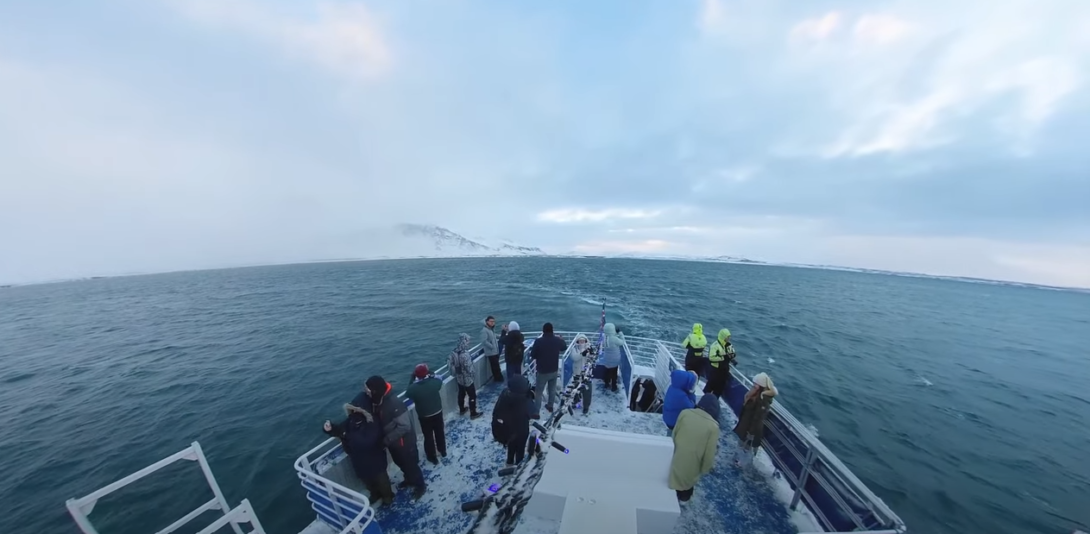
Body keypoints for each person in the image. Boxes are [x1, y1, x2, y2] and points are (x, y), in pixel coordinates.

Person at [356, 375, 427, 499]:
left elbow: (405, 426)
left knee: (411, 466)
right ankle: (409, 479)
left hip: (404, 444)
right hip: (395, 443)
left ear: (375, 391)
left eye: (368, 390)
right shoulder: (380, 400)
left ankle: (420, 486)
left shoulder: (394, 403)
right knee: (401, 463)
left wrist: (387, 440)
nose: (366, 393)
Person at [323, 404, 395, 506]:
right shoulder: (350, 422)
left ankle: (387, 497)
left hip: (373, 457)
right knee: (370, 480)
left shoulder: (372, 422)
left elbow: (368, 440)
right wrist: (330, 429)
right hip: (361, 459)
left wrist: (346, 436)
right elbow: (338, 429)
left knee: (381, 480)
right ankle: (377, 495)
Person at [669, 394, 721, 502]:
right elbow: (709, 456)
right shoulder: (713, 427)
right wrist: (703, 470)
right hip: (690, 470)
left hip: (673, 463)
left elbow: (673, 437)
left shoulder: (685, 413)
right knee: (683, 495)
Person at [491, 374, 539, 466]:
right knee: (520, 450)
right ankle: (518, 467)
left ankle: (509, 462)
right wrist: (531, 395)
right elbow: (534, 413)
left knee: (511, 447)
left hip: (508, 430)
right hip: (521, 430)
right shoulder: (524, 401)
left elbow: (497, 412)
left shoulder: (505, 394)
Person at [404, 364, 447, 465]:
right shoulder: (435, 383)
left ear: (416, 375)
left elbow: (408, 393)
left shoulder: (414, 389)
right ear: (427, 373)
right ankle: (443, 451)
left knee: (428, 436)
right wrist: (431, 373)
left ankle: (432, 457)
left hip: (424, 416)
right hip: (437, 412)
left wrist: (411, 378)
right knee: (439, 432)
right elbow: (439, 380)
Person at [733, 372, 777, 468]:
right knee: (741, 444)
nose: (753, 385)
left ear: (761, 386)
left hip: (751, 429)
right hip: (745, 424)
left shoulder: (763, 400)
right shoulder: (755, 393)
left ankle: (743, 464)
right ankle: (738, 459)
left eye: (756, 383)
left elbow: (758, 418)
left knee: (746, 447)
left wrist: (751, 433)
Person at [530, 322, 567, 412]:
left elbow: (533, 355)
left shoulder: (538, 341)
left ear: (543, 331)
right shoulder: (557, 340)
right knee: (552, 389)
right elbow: (564, 347)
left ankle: (536, 411)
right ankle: (550, 406)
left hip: (542, 371)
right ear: (552, 330)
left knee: (539, 392)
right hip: (554, 370)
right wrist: (561, 339)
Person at [448, 333, 482, 418]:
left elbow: (450, 364)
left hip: (459, 378)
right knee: (472, 395)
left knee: (461, 394)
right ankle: (473, 412)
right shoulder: (465, 354)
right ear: (464, 341)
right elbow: (469, 368)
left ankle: (462, 409)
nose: (469, 342)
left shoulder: (453, 352)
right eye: (468, 340)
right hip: (468, 379)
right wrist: (473, 375)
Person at [663, 370, 698, 436]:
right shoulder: (681, 395)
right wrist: (692, 393)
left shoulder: (672, 387)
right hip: (674, 422)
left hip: (667, 417)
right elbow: (691, 406)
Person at [704, 328, 737, 398]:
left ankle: (714, 402)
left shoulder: (729, 345)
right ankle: (704, 401)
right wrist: (723, 358)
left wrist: (732, 359)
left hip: (724, 371)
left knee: (719, 389)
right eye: (728, 336)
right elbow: (711, 358)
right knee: (709, 387)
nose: (729, 338)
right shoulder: (715, 345)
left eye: (729, 336)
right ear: (723, 336)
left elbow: (732, 353)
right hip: (715, 370)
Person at [570, 334, 593, 414]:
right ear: (577, 341)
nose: (581, 342)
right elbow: (574, 358)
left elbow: (592, 358)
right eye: (580, 341)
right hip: (577, 373)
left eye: (583, 341)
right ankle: (576, 403)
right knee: (575, 390)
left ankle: (586, 407)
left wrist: (591, 352)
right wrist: (582, 354)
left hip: (587, 374)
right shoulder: (574, 349)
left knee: (587, 391)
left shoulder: (589, 348)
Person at [599, 323, 624, 392]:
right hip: (614, 359)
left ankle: (606, 384)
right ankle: (613, 386)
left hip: (606, 358)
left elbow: (610, 337)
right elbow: (622, 342)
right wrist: (620, 333)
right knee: (614, 373)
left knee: (607, 371)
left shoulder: (604, 337)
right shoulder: (614, 339)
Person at [480, 316, 504, 383]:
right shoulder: (484, 330)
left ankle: (498, 378)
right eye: (491, 321)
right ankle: (498, 379)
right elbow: (484, 341)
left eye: (493, 321)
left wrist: (500, 336)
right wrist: (492, 346)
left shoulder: (491, 329)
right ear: (487, 321)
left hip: (495, 351)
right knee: (495, 366)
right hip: (491, 352)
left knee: (496, 365)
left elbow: (493, 336)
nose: (493, 323)